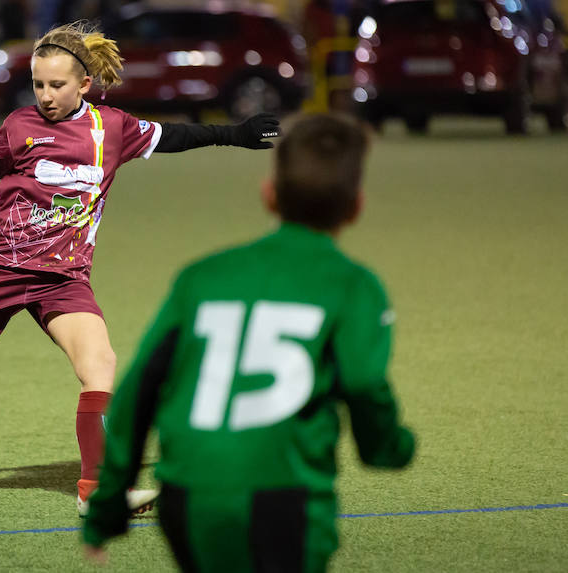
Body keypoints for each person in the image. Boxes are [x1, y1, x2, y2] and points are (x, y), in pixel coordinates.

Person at [0, 20, 280, 517]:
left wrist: (236, 134)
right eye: (39, 85)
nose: (46, 95)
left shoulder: (112, 128)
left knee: (100, 366)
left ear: (84, 84)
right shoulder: (17, 128)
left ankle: (96, 491)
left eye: (57, 85)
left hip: (64, 280)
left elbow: (177, 135)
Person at [81, 113, 416, 571]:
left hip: (185, 495)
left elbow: (139, 392)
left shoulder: (202, 276)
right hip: (281, 499)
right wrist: (388, 448)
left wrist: (107, 504)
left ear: (269, 195)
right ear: (356, 206)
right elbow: (361, 382)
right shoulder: (353, 286)